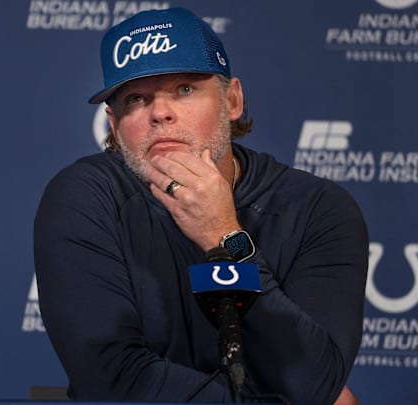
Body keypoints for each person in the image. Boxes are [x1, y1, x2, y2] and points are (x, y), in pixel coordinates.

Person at [33, 7, 368, 405]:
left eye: (184, 89)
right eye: (136, 98)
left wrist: (224, 236)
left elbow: (313, 385)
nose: (160, 113)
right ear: (114, 124)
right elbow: (112, 381)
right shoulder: (87, 197)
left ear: (233, 100)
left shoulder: (317, 209)